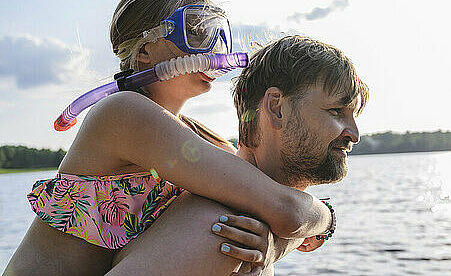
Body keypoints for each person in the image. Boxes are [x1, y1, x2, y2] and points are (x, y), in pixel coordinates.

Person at [3, 0, 339, 276]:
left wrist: (275, 246)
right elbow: (288, 210)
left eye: (218, 35)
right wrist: (326, 216)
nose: (212, 48)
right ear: (147, 48)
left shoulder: (206, 140)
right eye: (197, 33)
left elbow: (273, 211)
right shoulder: (123, 113)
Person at [106, 35, 369, 275]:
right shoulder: (225, 234)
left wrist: (297, 234)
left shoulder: (250, 232)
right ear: (277, 108)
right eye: (336, 111)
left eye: (353, 116)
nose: (354, 134)